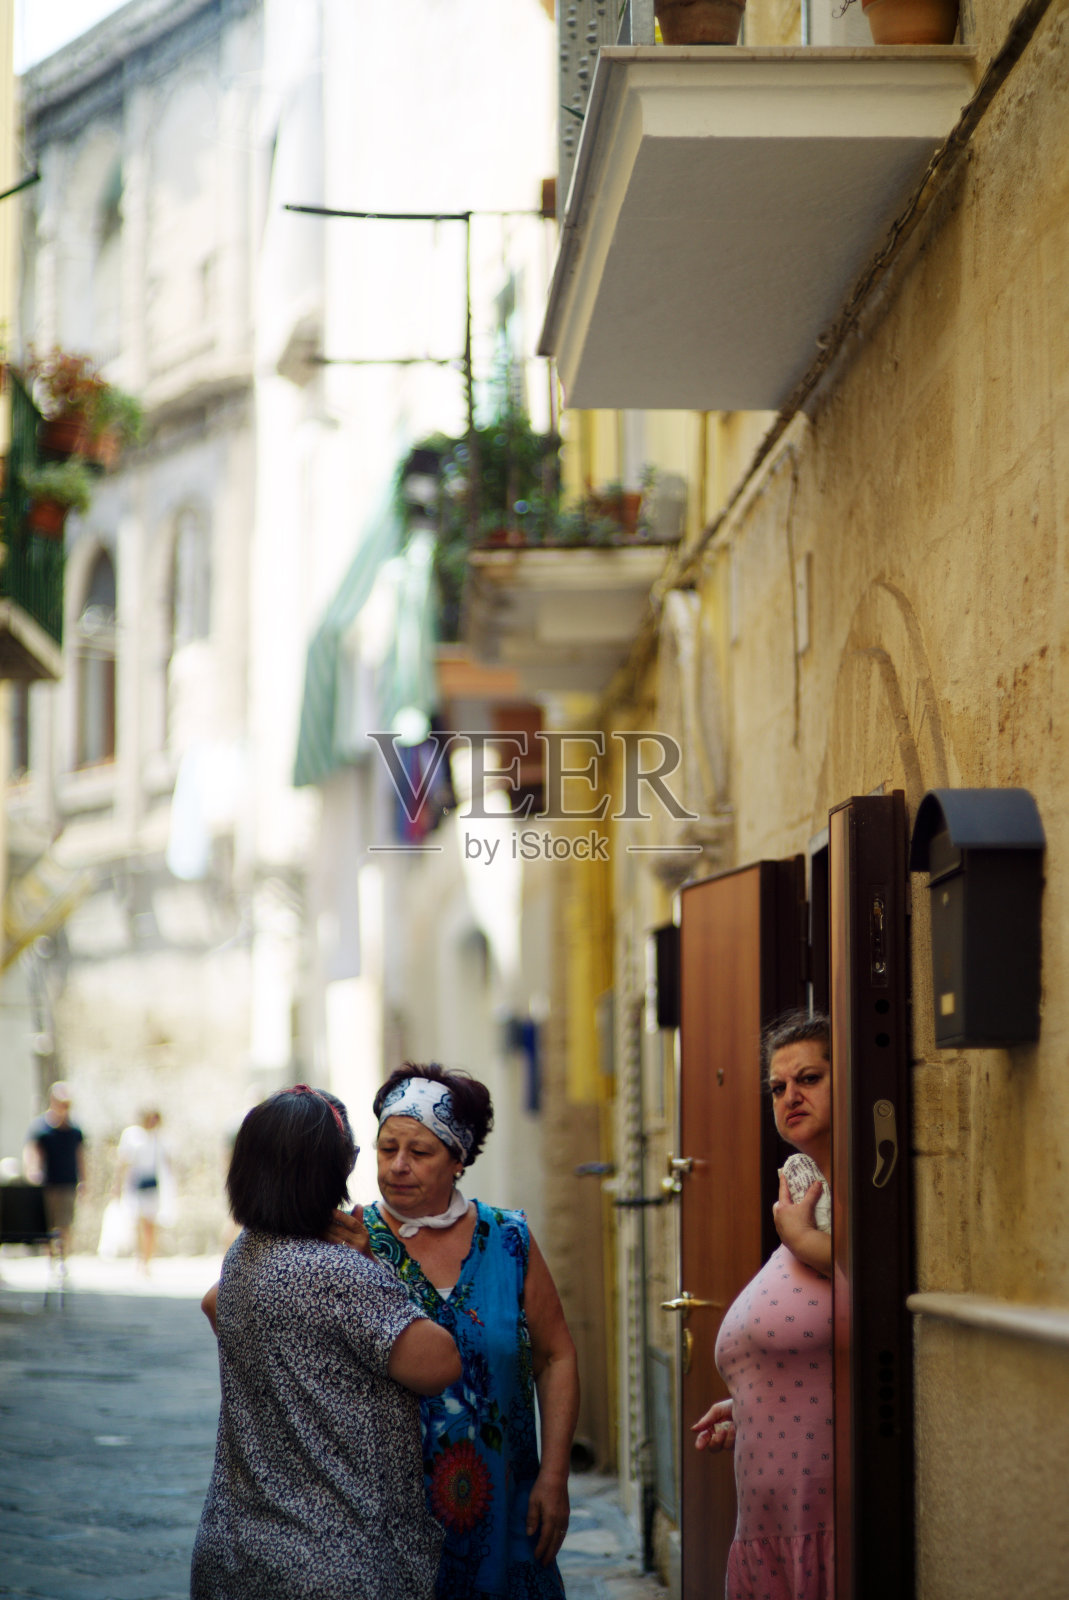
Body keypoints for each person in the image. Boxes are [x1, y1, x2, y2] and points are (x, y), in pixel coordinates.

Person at [191, 1085, 461, 1600]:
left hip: (233, 1550)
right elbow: (440, 1363)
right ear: (325, 1172)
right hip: (333, 1558)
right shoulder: (338, 1272)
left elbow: (213, 1304)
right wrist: (374, 1268)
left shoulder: (246, 1252)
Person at [331, 1062, 579, 1600]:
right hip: (387, 1519)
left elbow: (555, 1357)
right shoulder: (348, 1237)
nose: (398, 1166)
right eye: (386, 1148)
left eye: (419, 1153)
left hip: (504, 1503)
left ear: (458, 1160)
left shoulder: (508, 1240)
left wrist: (554, 1478)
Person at [692, 1012, 833, 1600]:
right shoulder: (807, 1190)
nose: (790, 1096)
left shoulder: (864, 1189)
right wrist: (753, 1400)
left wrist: (801, 1242)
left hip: (819, 1519)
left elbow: (874, 1294)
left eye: (809, 1078)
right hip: (770, 1521)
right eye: (778, 1087)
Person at [23, 1082, 86, 1267]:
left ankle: (63, 1259)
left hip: (67, 1181)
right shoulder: (41, 1127)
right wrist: (32, 1171)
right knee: (48, 1223)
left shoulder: (74, 1130)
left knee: (65, 1222)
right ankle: (51, 1258)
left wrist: (84, 1180)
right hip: (47, 1182)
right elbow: (32, 1150)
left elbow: (80, 1155)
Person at [115, 1108, 175, 1272]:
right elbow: (124, 1161)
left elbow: (167, 1164)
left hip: (153, 1186)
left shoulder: (160, 1140)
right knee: (137, 1222)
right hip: (136, 1185)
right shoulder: (133, 1137)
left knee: (150, 1224)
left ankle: (148, 1260)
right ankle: (139, 1257)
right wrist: (118, 1185)